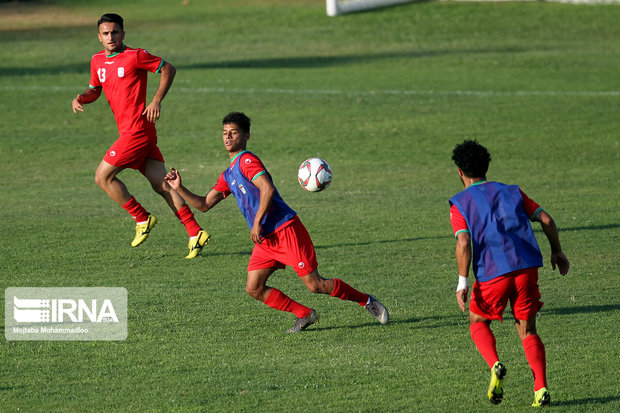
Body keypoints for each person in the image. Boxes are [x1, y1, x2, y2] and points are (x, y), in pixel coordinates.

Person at [164, 112, 389, 332]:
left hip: (284, 229)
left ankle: (367, 300)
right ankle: (305, 314)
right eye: (225, 133)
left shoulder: (247, 160)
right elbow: (204, 204)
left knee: (316, 285)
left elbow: (267, 188)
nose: (228, 137)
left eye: (234, 132)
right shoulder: (229, 173)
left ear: (246, 136)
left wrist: (257, 222)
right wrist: (179, 188)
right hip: (265, 238)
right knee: (254, 288)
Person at [71, 13, 209, 259]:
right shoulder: (97, 61)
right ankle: (194, 231)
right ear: (99, 37)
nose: (111, 37)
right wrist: (81, 98)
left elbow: (168, 68)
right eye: (105, 33)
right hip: (133, 132)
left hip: (138, 131)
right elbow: (95, 90)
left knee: (102, 177)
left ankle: (141, 217)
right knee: (163, 185)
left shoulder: (135, 56)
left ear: (123, 33)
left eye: (115, 32)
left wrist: (156, 100)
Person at [449, 140, 570, 407]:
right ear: (486, 166)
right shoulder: (512, 191)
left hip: (493, 273)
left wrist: (462, 282)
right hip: (526, 268)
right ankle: (540, 389)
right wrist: (557, 251)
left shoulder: (459, 203)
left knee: (478, 320)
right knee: (528, 330)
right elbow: (546, 219)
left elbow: (464, 243)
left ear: (460, 171)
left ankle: (495, 364)